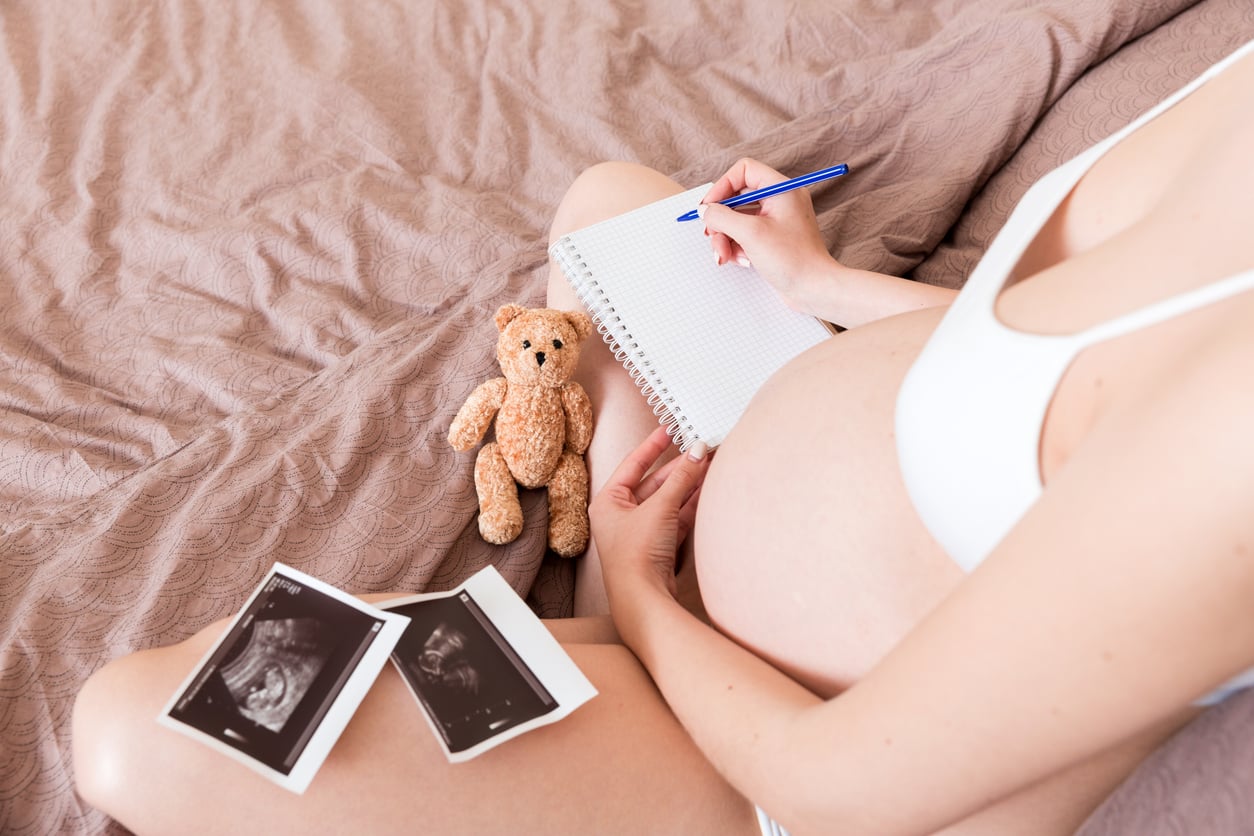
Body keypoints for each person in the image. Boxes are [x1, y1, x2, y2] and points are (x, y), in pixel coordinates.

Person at [73, 40, 1254, 835]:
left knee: (127, 733)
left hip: (757, 738)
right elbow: (1052, 364)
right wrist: (823, 284)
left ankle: (591, 652)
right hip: (730, 479)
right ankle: (577, 628)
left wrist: (641, 596)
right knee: (620, 204)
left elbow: (839, 781)